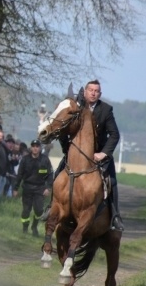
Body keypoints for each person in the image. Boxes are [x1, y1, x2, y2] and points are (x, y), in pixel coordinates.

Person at [46, 80, 123, 231]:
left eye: (97, 91)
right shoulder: (76, 107)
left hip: (99, 155)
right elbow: (63, 127)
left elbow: (114, 135)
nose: (93, 93)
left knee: (112, 181)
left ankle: (115, 216)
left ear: (99, 94)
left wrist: (103, 153)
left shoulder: (106, 110)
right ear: (85, 92)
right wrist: (66, 149)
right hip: (76, 154)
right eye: (91, 90)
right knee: (58, 174)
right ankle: (51, 208)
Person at [13, 139, 53, 235]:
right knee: (26, 211)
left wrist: (48, 188)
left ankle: (34, 226)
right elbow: (19, 175)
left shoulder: (45, 159)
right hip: (27, 188)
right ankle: (25, 228)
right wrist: (15, 188)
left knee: (39, 210)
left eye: (37, 146)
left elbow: (50, 174)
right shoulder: (25, 159)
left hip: (40, 189)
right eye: (33, 146)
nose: (35, 148)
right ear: (31, 147)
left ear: (40, 148)